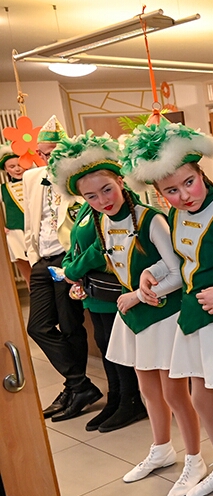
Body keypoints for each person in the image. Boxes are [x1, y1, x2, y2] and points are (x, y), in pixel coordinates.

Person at [122, 119, 213, 496]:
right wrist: (152, 272)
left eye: (189, 182)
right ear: (159, 193)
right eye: (171, 191)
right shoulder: (178, 214)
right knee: (201, 399)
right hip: (194, 315)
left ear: (201, 173)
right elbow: (184, 262)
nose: (184, 195)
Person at [46, 132, 147, 433]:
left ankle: (131, 400)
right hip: (93, 292)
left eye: (105, 190)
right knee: (104, 345)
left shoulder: (126, 208)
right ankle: (115, 398)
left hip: (114, 290)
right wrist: (69, 267)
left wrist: (73, 269)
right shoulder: (87, 208)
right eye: (91, 194)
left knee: (118, 349)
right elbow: (77, 243)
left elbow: (103, 248)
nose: (100, 199)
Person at [22, 115, 103, 421]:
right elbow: (30, 219)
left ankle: (74, 389)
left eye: (53, 153)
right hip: (42, 259)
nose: (48, 159)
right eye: (43, 154)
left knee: (71, 326)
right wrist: (33, 257)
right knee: (37, 326)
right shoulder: (32, 178)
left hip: (67, 257)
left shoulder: (76, 179)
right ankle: (80, 384)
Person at [1, 144, 32, 284]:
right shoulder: (3, 188)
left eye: (20, 165)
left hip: (37, 231)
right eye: (12, 166)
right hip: (16, 233)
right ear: (6, 169)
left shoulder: (36, 183)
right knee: (28, 275)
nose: (17, 169)